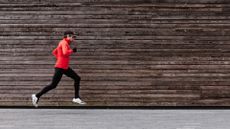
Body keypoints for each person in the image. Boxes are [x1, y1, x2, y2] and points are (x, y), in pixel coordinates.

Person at [31, 31, 86, 107]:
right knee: (53, 85)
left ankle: (76, 97)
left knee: (77, 78)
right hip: (60, 67)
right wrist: (72, 51)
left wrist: (60, 59)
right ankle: (37, 96)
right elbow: (65, 53)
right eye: (72, 37)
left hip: (64, 67)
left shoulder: (62, 42)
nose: (73, 38)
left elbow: (54, 52)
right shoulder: (64, 43)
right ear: (68, 36)